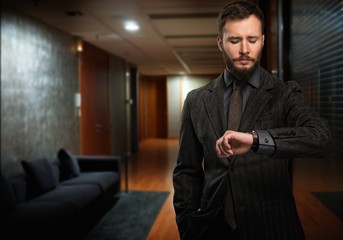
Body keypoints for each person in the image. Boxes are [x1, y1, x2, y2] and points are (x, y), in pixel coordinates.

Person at [172, 1, 331, 240]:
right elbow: (187, 169)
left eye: (252, 40)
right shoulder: (196, 100)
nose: (244, 49)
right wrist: (186, 222)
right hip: (211, 227)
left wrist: (256, 140)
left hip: (272, 225)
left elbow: (320, 137)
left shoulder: (284, 93)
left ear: (263, 41)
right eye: (235, 40)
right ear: (220, 43)